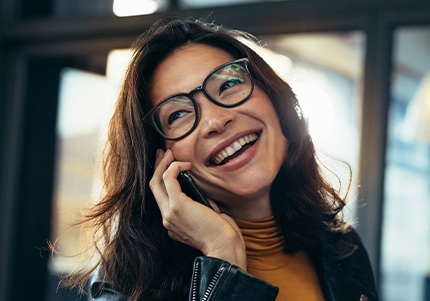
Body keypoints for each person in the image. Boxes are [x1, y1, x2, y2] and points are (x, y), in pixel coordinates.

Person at [69, 17, 378, 301]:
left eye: (228, 84)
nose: (215, 120)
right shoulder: (125, 283)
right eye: (178, 114)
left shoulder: (341, 249)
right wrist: (221, 254)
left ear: (275, 100)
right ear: (159, 159)